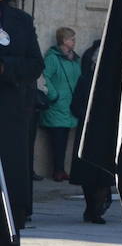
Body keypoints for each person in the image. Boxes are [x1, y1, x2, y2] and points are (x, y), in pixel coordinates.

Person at [0, 0, 41, 246]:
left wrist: (5, 68)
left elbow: (34, 64)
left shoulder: (19, 21)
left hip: (9, 124)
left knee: (9, 203)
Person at [68, 38, 114, 224]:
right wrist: (87, 118)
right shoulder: (85, 80)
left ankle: (96, 209)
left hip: (105, 134)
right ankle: (91, 210)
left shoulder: (112, 84)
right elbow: (75, 106)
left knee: (103, 177)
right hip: (87, 134)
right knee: (88, 177)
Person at [39, 27, 80, 181]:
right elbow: (45, 77)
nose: (74, 42)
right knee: (57, 142)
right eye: (72, 39)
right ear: (63, 40)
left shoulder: (74, 59)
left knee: (63, 141)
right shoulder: (52, 58)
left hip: (69, 107)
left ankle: (61, 170)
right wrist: (54, 95)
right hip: (56, 107)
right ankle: (58, 171)